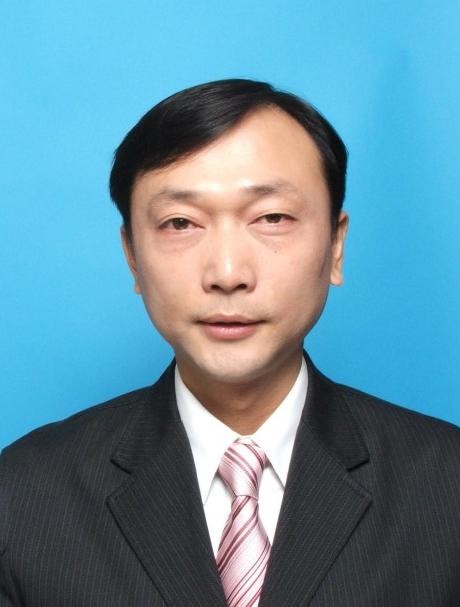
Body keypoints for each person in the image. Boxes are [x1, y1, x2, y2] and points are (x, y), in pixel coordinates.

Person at [0, 79, 459, 607]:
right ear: (132, 257)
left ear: (336, 245)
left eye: (271, 218)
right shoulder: (24, 494)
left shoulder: (446, 485)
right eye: (180, 223)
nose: (226, 273)